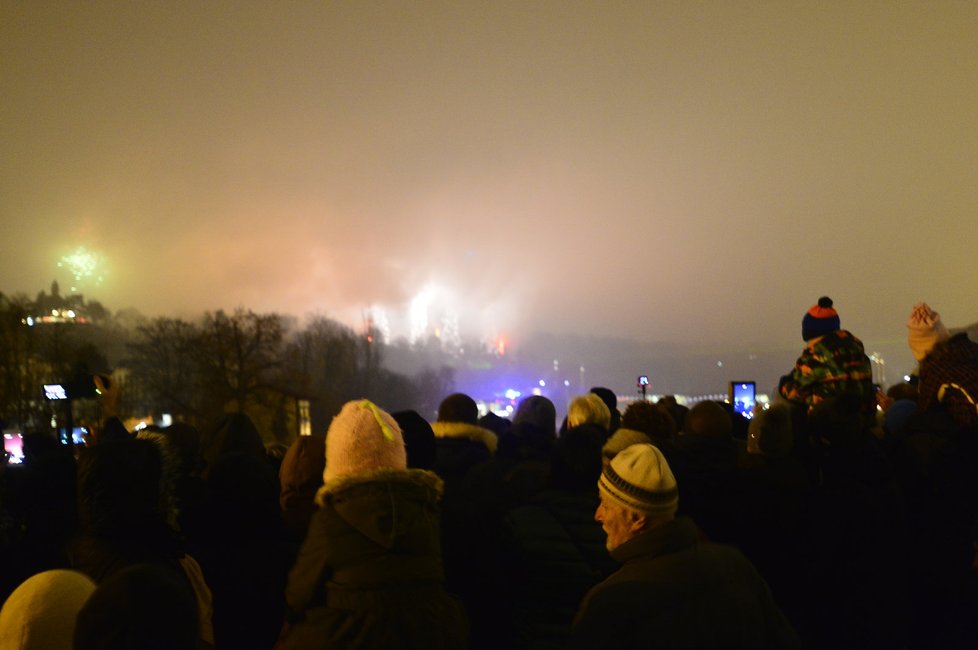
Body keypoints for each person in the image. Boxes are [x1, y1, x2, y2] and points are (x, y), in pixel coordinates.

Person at [570, 443, 799, 649]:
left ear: (637, 518)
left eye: (605, 504)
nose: (597, 515)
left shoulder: (610, 603)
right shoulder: (734, 564)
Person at [281, 400, 467, 649]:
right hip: (424, 631)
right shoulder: (426, 509)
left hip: (345, 635)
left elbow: (299, 594)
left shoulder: (330, 518)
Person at [778, 296, 873, 412]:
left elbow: (795, 392)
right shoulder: (858, 352)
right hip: (861, 421)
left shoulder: (814, 356)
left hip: (828, 422)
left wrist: (784, 383)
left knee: (784, 398)